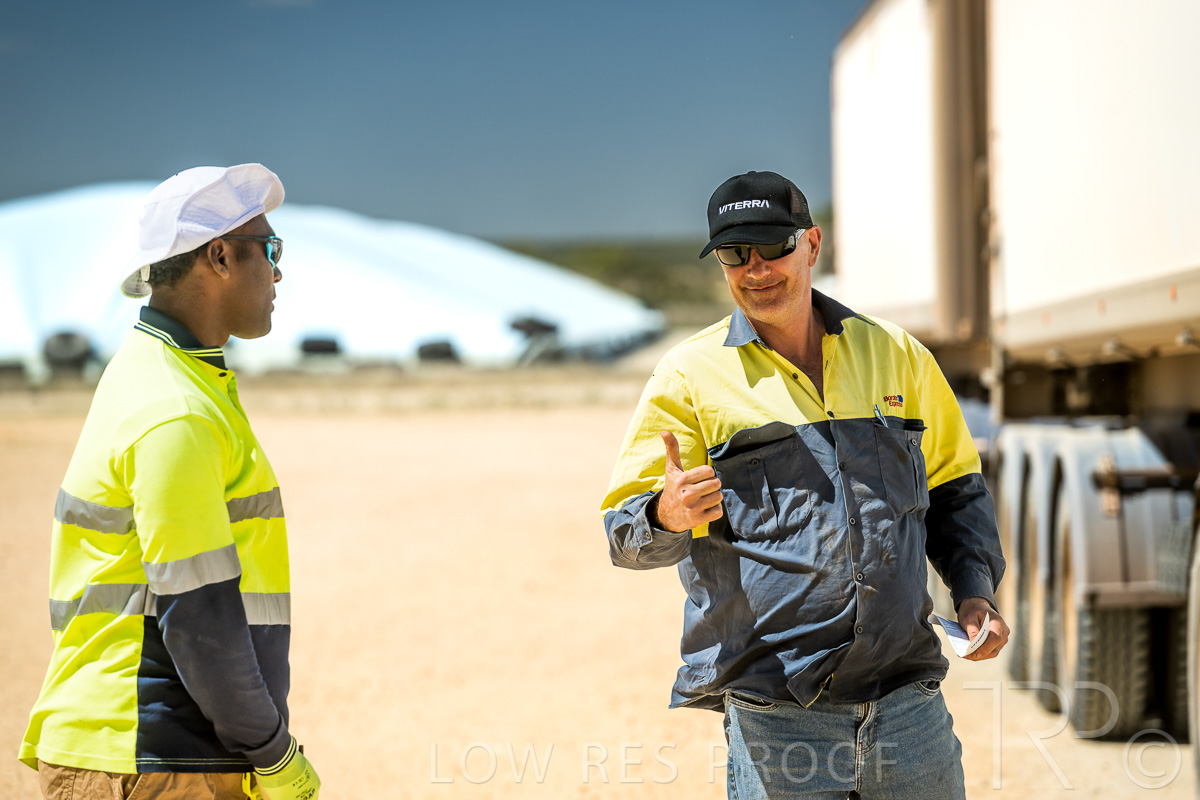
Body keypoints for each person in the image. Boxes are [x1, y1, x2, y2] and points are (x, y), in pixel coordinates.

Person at [601, 170, 1008, 800]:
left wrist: (975, 591)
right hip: (778, 721)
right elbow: (622, 534)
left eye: (774, 246)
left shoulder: (898, 355)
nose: (756, 268)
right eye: (735, 253)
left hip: (908, 710)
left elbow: (955, 489)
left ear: (812, 244)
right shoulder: (688, 377)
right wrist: (665, 514)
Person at [19, 164, 320, 800]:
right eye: (270, 249)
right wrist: (272, 754)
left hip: (146, 749)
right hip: (154, 756)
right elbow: (198, 612)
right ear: (220, 257)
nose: (278, 272)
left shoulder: (157, 372)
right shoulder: (175, 408)